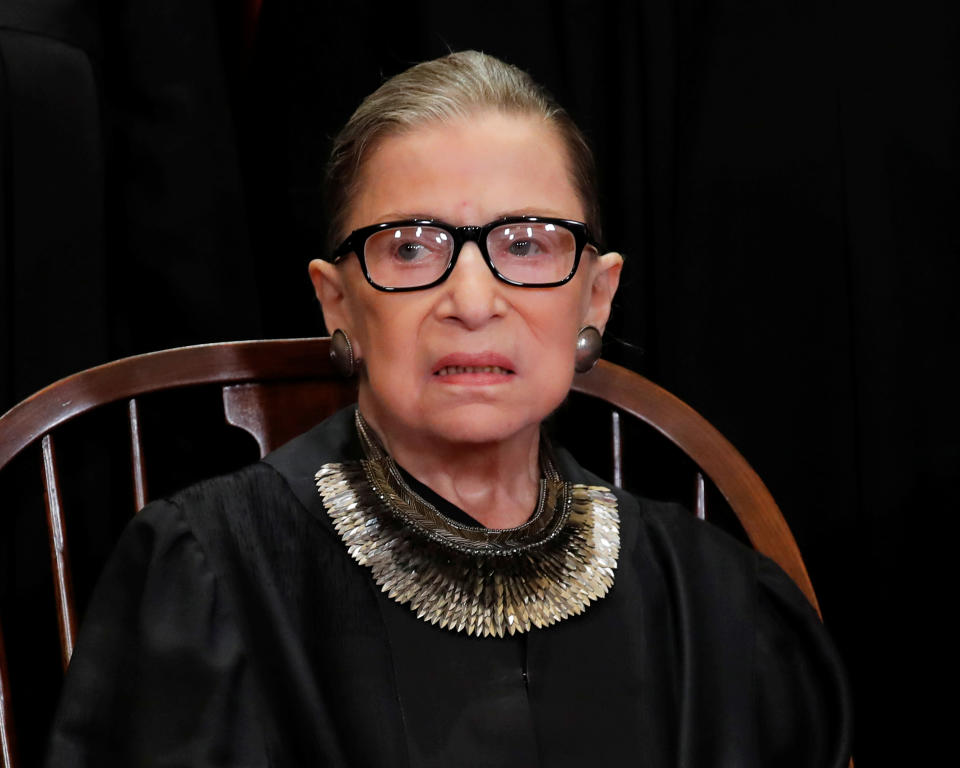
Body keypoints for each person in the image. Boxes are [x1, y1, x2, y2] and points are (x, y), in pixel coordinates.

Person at [46, 51, 851, 767]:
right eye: (411, 247)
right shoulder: (209, 575)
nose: (472, 299)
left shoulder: (711, 598)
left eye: (527, 243)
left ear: (595, 296)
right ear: (338, 303)